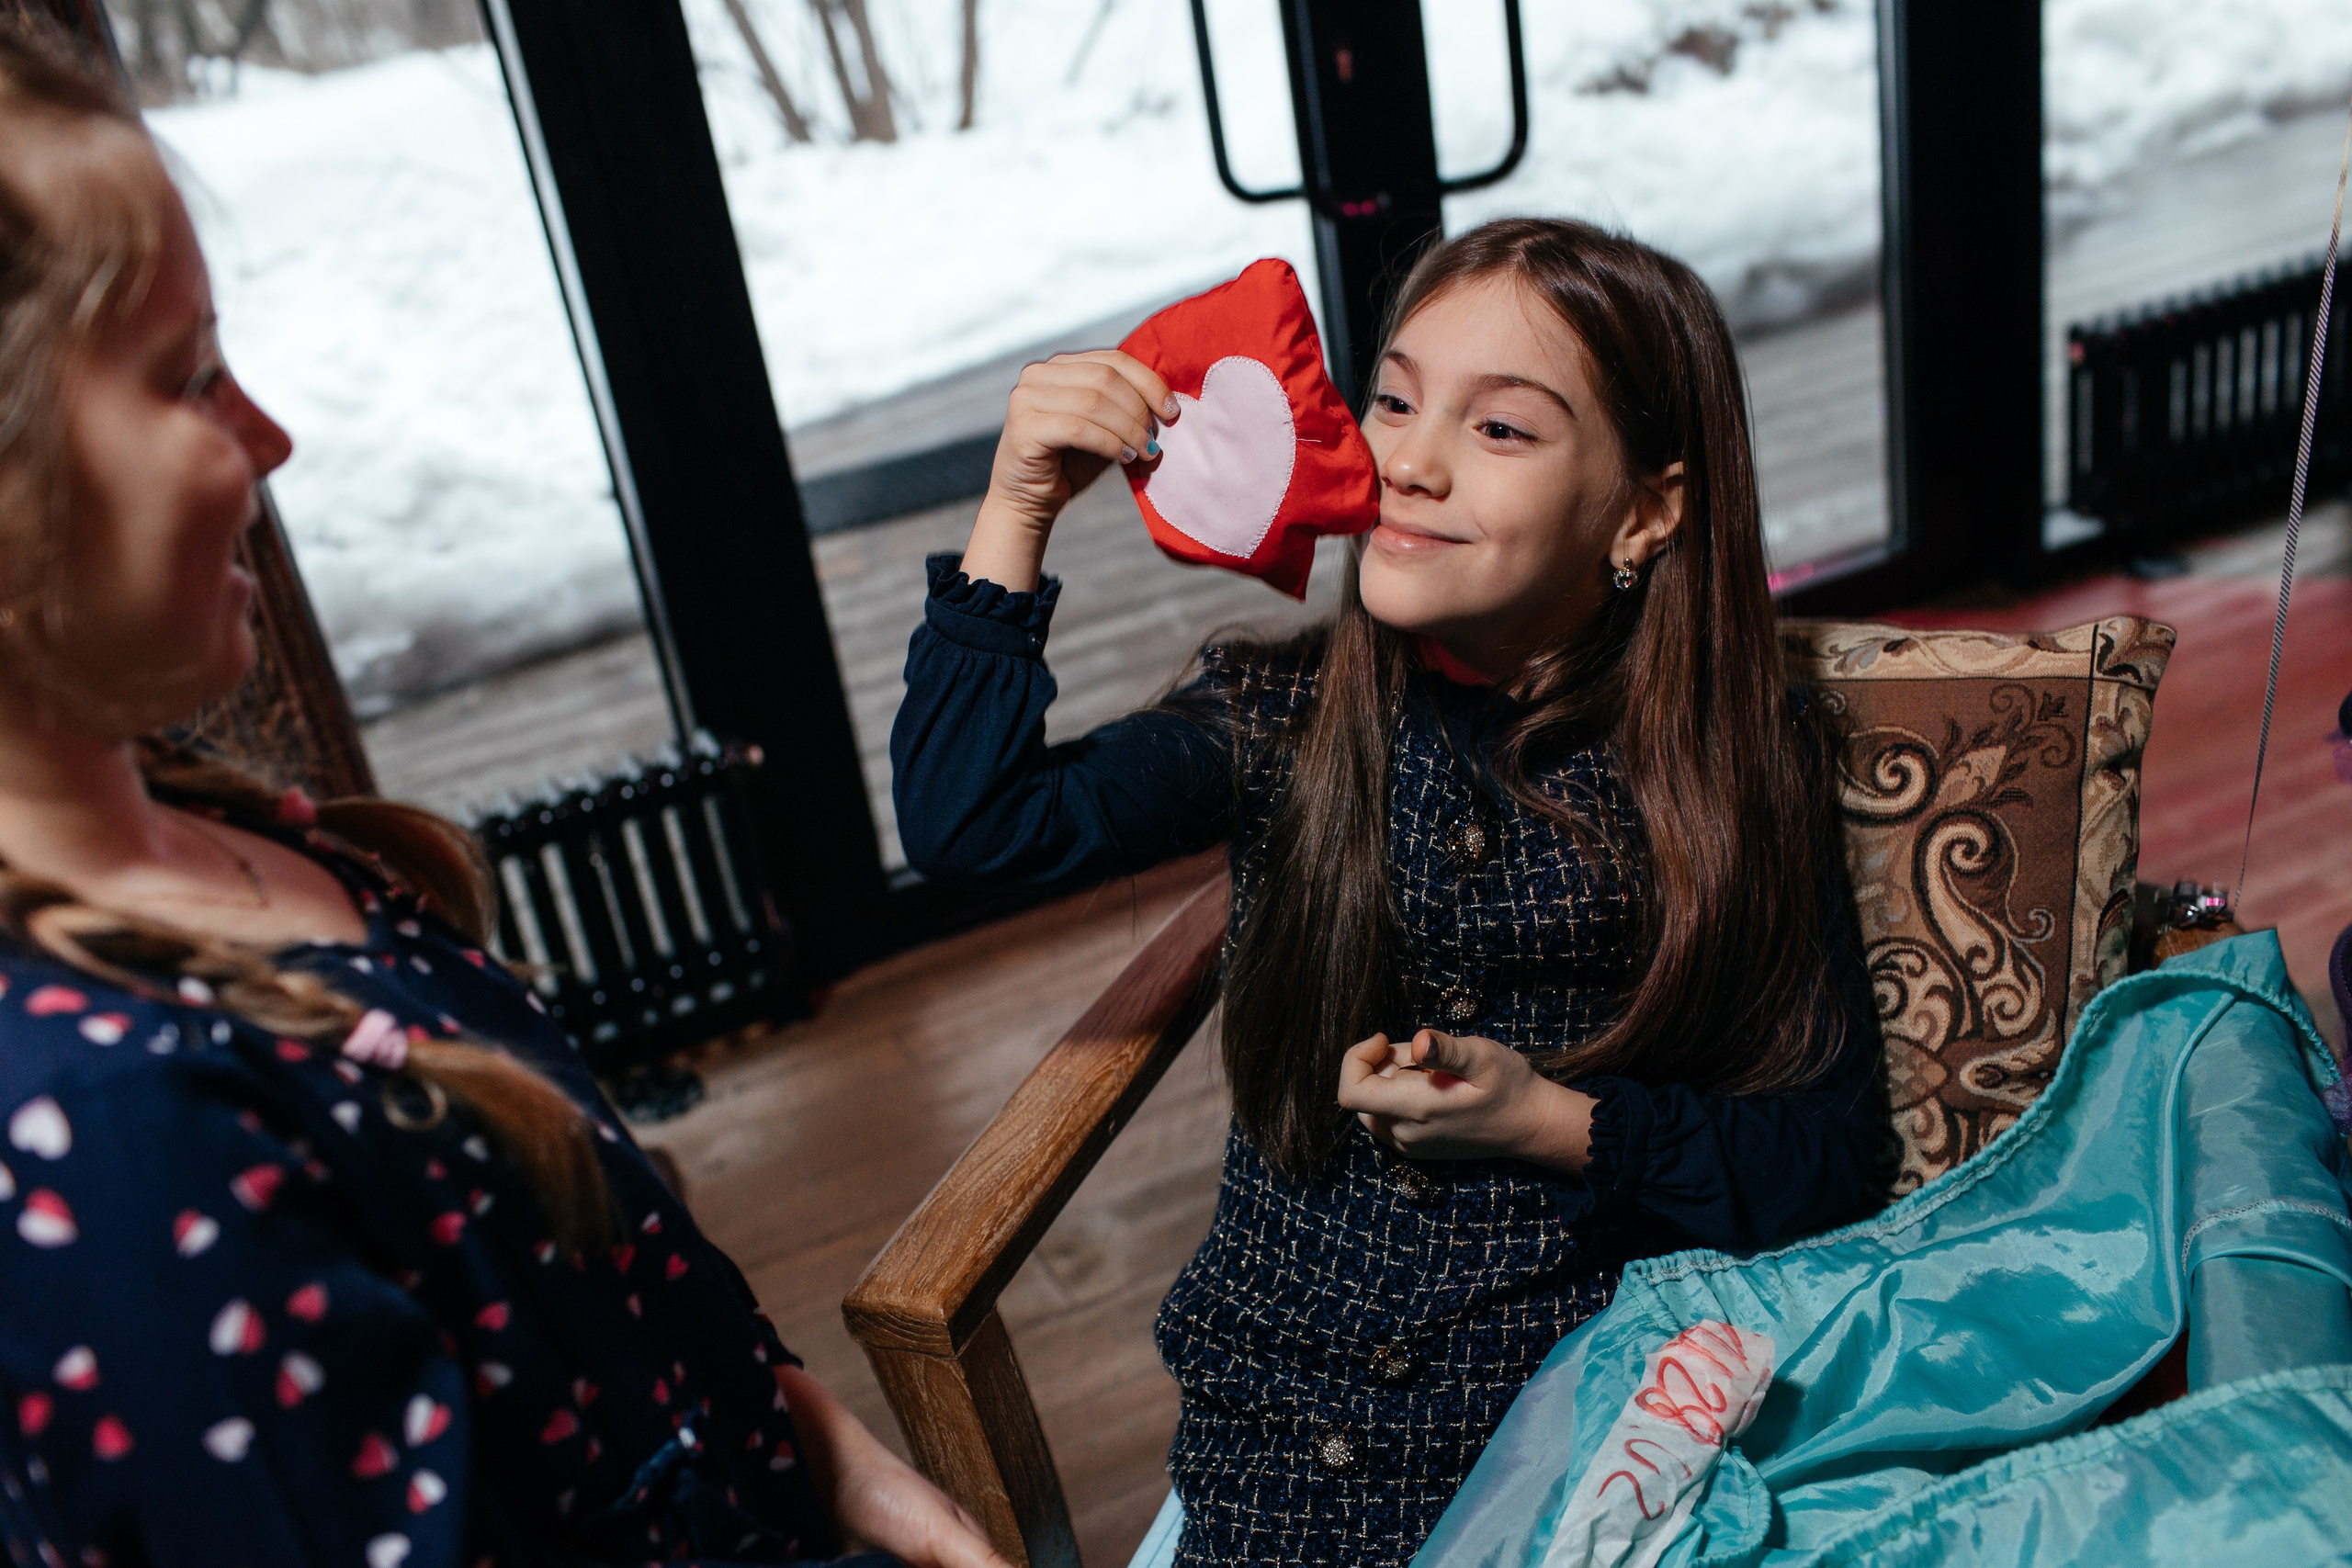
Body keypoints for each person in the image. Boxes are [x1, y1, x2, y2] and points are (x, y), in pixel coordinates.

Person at [0, 19, 1007, 1568]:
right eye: (190, 377)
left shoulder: (239, 833)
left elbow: (608, 1286)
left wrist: (837, 1458)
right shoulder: (121, 1138)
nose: (270, 437)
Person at [890, 218, 1886, 1565]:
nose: (1407, 465)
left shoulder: (1731, 774)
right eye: (1398, 400)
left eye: (1503, 431)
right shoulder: (1279, 717)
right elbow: (976, 825)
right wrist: (1016, 502)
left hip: (1568, 1451)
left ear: (1648, 511)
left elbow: (1825, 1163)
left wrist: (1552, 1124)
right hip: (1275, 1443)